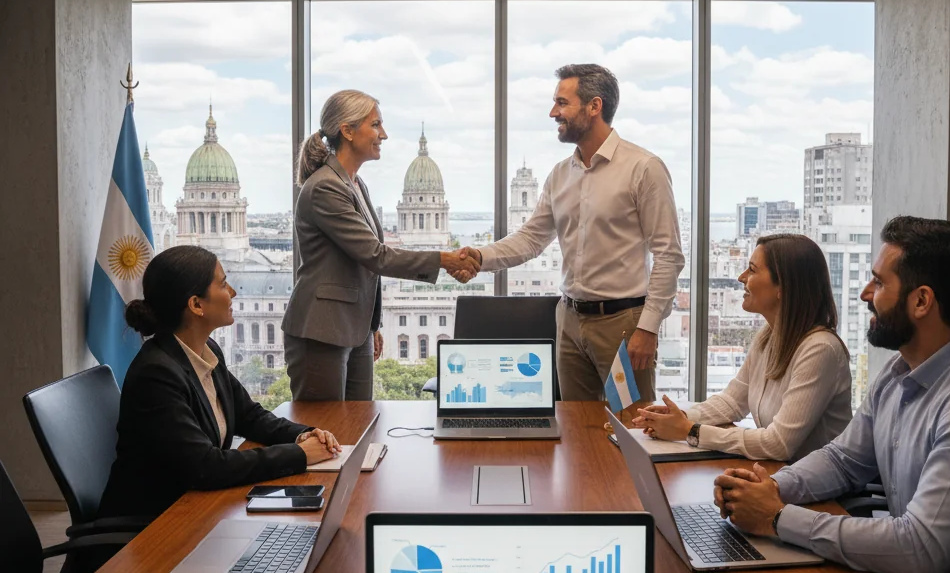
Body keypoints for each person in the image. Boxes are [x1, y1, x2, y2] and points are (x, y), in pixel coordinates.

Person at [714, 217, 950, 573]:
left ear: (921, 302)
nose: (864, 295)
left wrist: (779, 518)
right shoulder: (899, 373)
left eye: (878, 283)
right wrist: (768, 489)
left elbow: (920, 548)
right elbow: (843, 459)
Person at [456, 64, 684, 401]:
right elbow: (532, 238)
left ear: (594, 106)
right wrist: (480, 256)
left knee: (631, 425)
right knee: (576, 429)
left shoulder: (643, 168)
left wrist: (648, 328)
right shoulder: (560, 174)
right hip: (569, 323)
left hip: (621, 326)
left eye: (562, 103)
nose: (553, 112)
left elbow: (668, 254)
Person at [99, 245, 340, 526]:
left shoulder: (205, 349)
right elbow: (205, 467)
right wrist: (298, 455)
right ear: (196, 305)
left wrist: (305, 436)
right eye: (223, 284)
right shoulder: (156, 375)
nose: (233, 293)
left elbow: (250, 416)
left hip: (199, 508)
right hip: (156, 526)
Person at [283, 90, 479, 400]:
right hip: (321, 330)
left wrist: (372, 324)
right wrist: (445, 259)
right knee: (326, 430)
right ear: (347, 131)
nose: (383, 134)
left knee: (360, 424)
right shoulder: (325, 187)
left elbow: (363, 263)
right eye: (375, 125)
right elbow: (374, 255)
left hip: (353, 328)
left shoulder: (355, 184)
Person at [633, 234, 852, 460]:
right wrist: (680, 416)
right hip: (780, 476)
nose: (741, 277)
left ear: (783, 287)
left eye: (752, 270)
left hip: (817, 491)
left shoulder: (820, 350)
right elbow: (732, 402)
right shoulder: (768, 337)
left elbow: (778, 444)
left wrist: (690, 431)